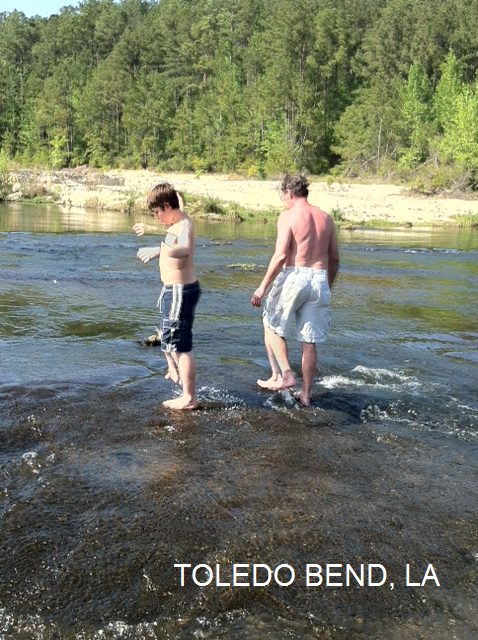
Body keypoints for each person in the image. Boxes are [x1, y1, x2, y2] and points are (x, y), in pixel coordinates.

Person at [251, 174, 339, 406]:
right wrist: (327, 285)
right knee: (309, 341)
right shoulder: (326, 218)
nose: (284, 201)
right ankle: (306, 395)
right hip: (320, 277)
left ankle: (284, 374)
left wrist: (262, 287)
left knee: (270, 324)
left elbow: (280, 256)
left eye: (284, 197)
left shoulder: (288, 216)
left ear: (289, 193)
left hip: (295, 275)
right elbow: (335, 258)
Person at [133, 183, 201, 410]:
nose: (157, 218)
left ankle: (189, 397)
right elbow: (175, 216)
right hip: (174, 291)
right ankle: (173, 369)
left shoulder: (182, 226)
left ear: (166, 206)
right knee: (165, 334)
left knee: (181, 346)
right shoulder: (180, 219)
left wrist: (157, 246)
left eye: (157, 213)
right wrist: (156, 241)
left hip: (180, 291)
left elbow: (184, 249)